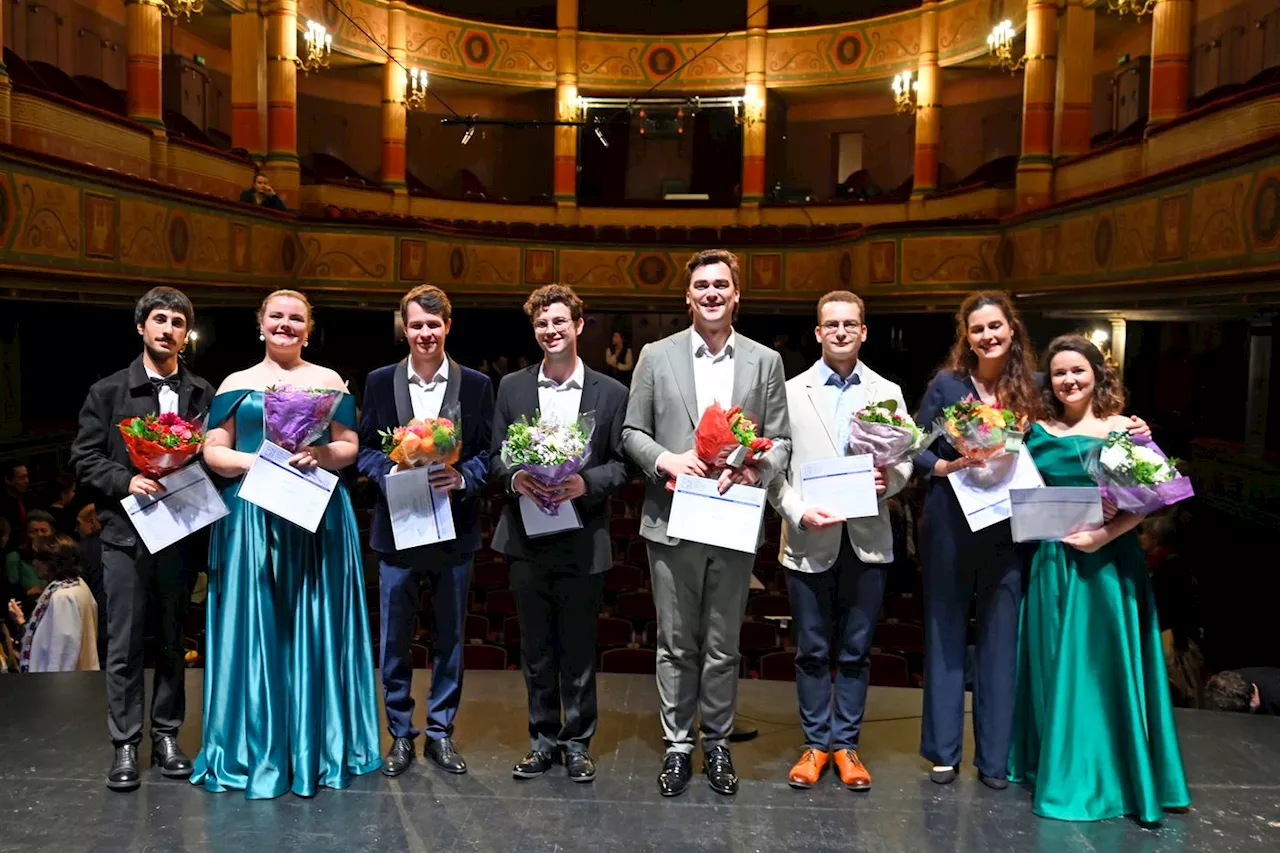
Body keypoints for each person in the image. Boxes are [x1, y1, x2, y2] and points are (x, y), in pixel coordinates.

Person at [914, 292, 1151, 790]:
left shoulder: (1037, 387)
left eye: (996, 326)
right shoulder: (947, 385)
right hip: (950, 524)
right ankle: (943, 752)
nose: (988, 336)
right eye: (978, 329)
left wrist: (1130, 426)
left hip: (1014, 527)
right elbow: (918, 443)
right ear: (967, 335)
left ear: (1012, 328)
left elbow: (1078, 424)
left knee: (1003, 639)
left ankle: (996, 758)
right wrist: (940, 465)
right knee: (945, 633)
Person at [192, 289, 380, 799]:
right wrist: (263, 461)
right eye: (277, 316)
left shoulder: (328, 381)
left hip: (316, 515)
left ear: (308, 328)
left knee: (313, 624)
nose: (286, 325)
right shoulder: (236, 383)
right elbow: (214, 452)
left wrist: (320, 452)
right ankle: (255, 747)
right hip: (252, 515)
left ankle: (315, 745)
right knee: (258, 627)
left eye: (296, 319)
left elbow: (350, 447)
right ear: (260, 324)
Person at [622, 248, 791, 797]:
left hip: (734, 516)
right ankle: (677, 746)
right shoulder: (655, 354)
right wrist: (665, 460)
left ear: (736, 294)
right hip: (672, 516)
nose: (712, 294)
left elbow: (782, 442)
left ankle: (716, 744)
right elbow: (631, 433)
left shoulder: (765, 361)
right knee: (675, 642)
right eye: (702, 286)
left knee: (722, 643)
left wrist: (757, 468)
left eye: (722, 285)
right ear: (688, 297)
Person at [1008, 335, 1189, 823]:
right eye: (1060, 372)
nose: (1069, 380)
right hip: (1053, 561)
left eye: (1078, 371)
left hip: (1107, 564)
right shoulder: (1035, 431)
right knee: (1055, 667)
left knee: (1101, 670)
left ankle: (1105, 778)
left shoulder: (1124, 428)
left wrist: (1103, 537)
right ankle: (1056, 766)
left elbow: (1155, 499)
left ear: (1097, 374)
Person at [69, 286, 213, 791]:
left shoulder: (202, 393)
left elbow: (210, 459)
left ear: (184, 334)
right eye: (159, 319)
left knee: (173, 640)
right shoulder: (108, 391)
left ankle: (167, 736)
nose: (168, 329)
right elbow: (83, 457)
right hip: (125, 535)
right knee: (125, 644)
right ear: (141, 327)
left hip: (178, 535)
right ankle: (126, 744)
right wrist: (126, 479)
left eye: (177, 321)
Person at [767, 291, 913, 792]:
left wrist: (888, 480)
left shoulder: (887, 390)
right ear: (818, 332)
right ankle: (814, 745)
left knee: (854, 651)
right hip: (811, 536)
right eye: (832, 324)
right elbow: (771, 471)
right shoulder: (788, 391)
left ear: (864, 331)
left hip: (867, 537)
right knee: (810, 650)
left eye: (851, 324)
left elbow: (908, 460)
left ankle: (845, 745)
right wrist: (796, 511)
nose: (842, 332)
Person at [491, 285, 631, 782]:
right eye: (541, 324)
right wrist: (516, 477)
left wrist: (582, 482)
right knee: (535, 650)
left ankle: (577, 743)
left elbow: (622, 466)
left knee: (578, 649)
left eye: (559, 322)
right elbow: (494, 456)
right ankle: (542, 739)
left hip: (582, 536)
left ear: (578, 325)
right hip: (525, 539)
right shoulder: (510, 387)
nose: (550, 331)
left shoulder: (611, 392)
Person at [356, 285, 494, 778]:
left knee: (449, 638)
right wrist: (389, 470)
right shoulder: (377, 382)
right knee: (395, 640)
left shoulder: (476, 384)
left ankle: (439, 734)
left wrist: (462, 476)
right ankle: (399, 735)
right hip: (397, 530)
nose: (425, 333)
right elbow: (364, 450)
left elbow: (489, 454)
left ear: (447, 327)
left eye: (433, 325)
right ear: (404, 327)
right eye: (416, 325)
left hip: (454, 530)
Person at [7, 534, 99, 672]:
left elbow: (63, 652)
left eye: (38, 558)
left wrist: (55, 687)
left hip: (59, 686)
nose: (34, 563)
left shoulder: (63, 596)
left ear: (52, 562)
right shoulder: (77, 585)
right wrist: (21, 621)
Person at [5, 510, 55, 603]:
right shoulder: (15, 557)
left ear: (52, 532)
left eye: (43, 530)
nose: (39, 535)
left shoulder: (58, 555)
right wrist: (26, 594)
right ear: (27, 534)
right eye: (34, 531)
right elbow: (10, 593)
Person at [1204, 668, 1280, 715]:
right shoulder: (1233, 681)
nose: (1255, 703)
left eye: (1252, 696)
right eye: (1248, 706)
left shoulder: (1276, 688)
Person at [0, 462, 30, 537]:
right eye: (22, 478)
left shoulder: (30, 498)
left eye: (27, 476)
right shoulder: (2, 503)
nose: (27, 481)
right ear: (8, 480)